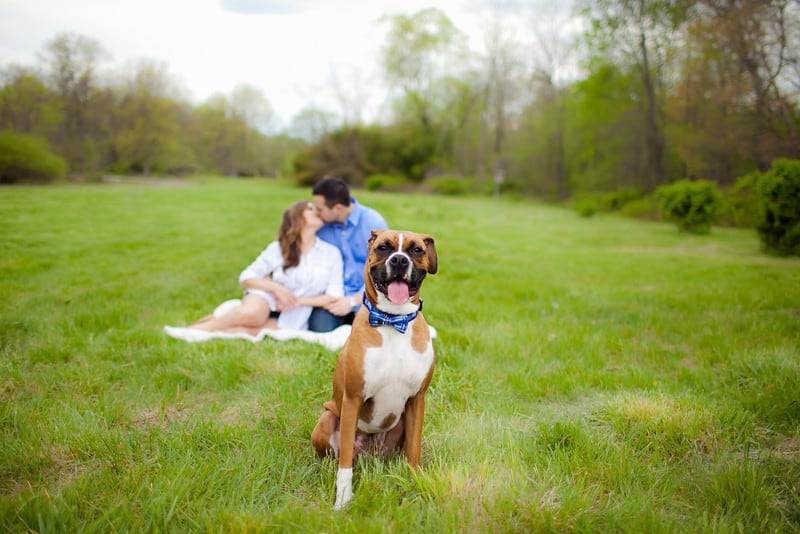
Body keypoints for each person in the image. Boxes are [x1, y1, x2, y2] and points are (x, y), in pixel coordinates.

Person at [186, 200, 343, 335]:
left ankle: (217, 321)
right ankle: (197, 331)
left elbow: (334, 295)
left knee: (243, 332)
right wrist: (276, 289)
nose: (317, 211)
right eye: (310, 208)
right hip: (265, 298)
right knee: (252, 314)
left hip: (294, 312)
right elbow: (246, 277)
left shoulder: (331, 253)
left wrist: (296, 301)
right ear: (297, 218)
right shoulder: (278, 248)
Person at [307, 176, 388, 332]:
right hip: (332, 298)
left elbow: (383, 273)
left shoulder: (373, 223)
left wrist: (353, 301)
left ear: (337, 208)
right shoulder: (322, 226)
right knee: (319, 329)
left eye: (320, 209)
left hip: (367, 298)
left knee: (372, 336)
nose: (316, 213)